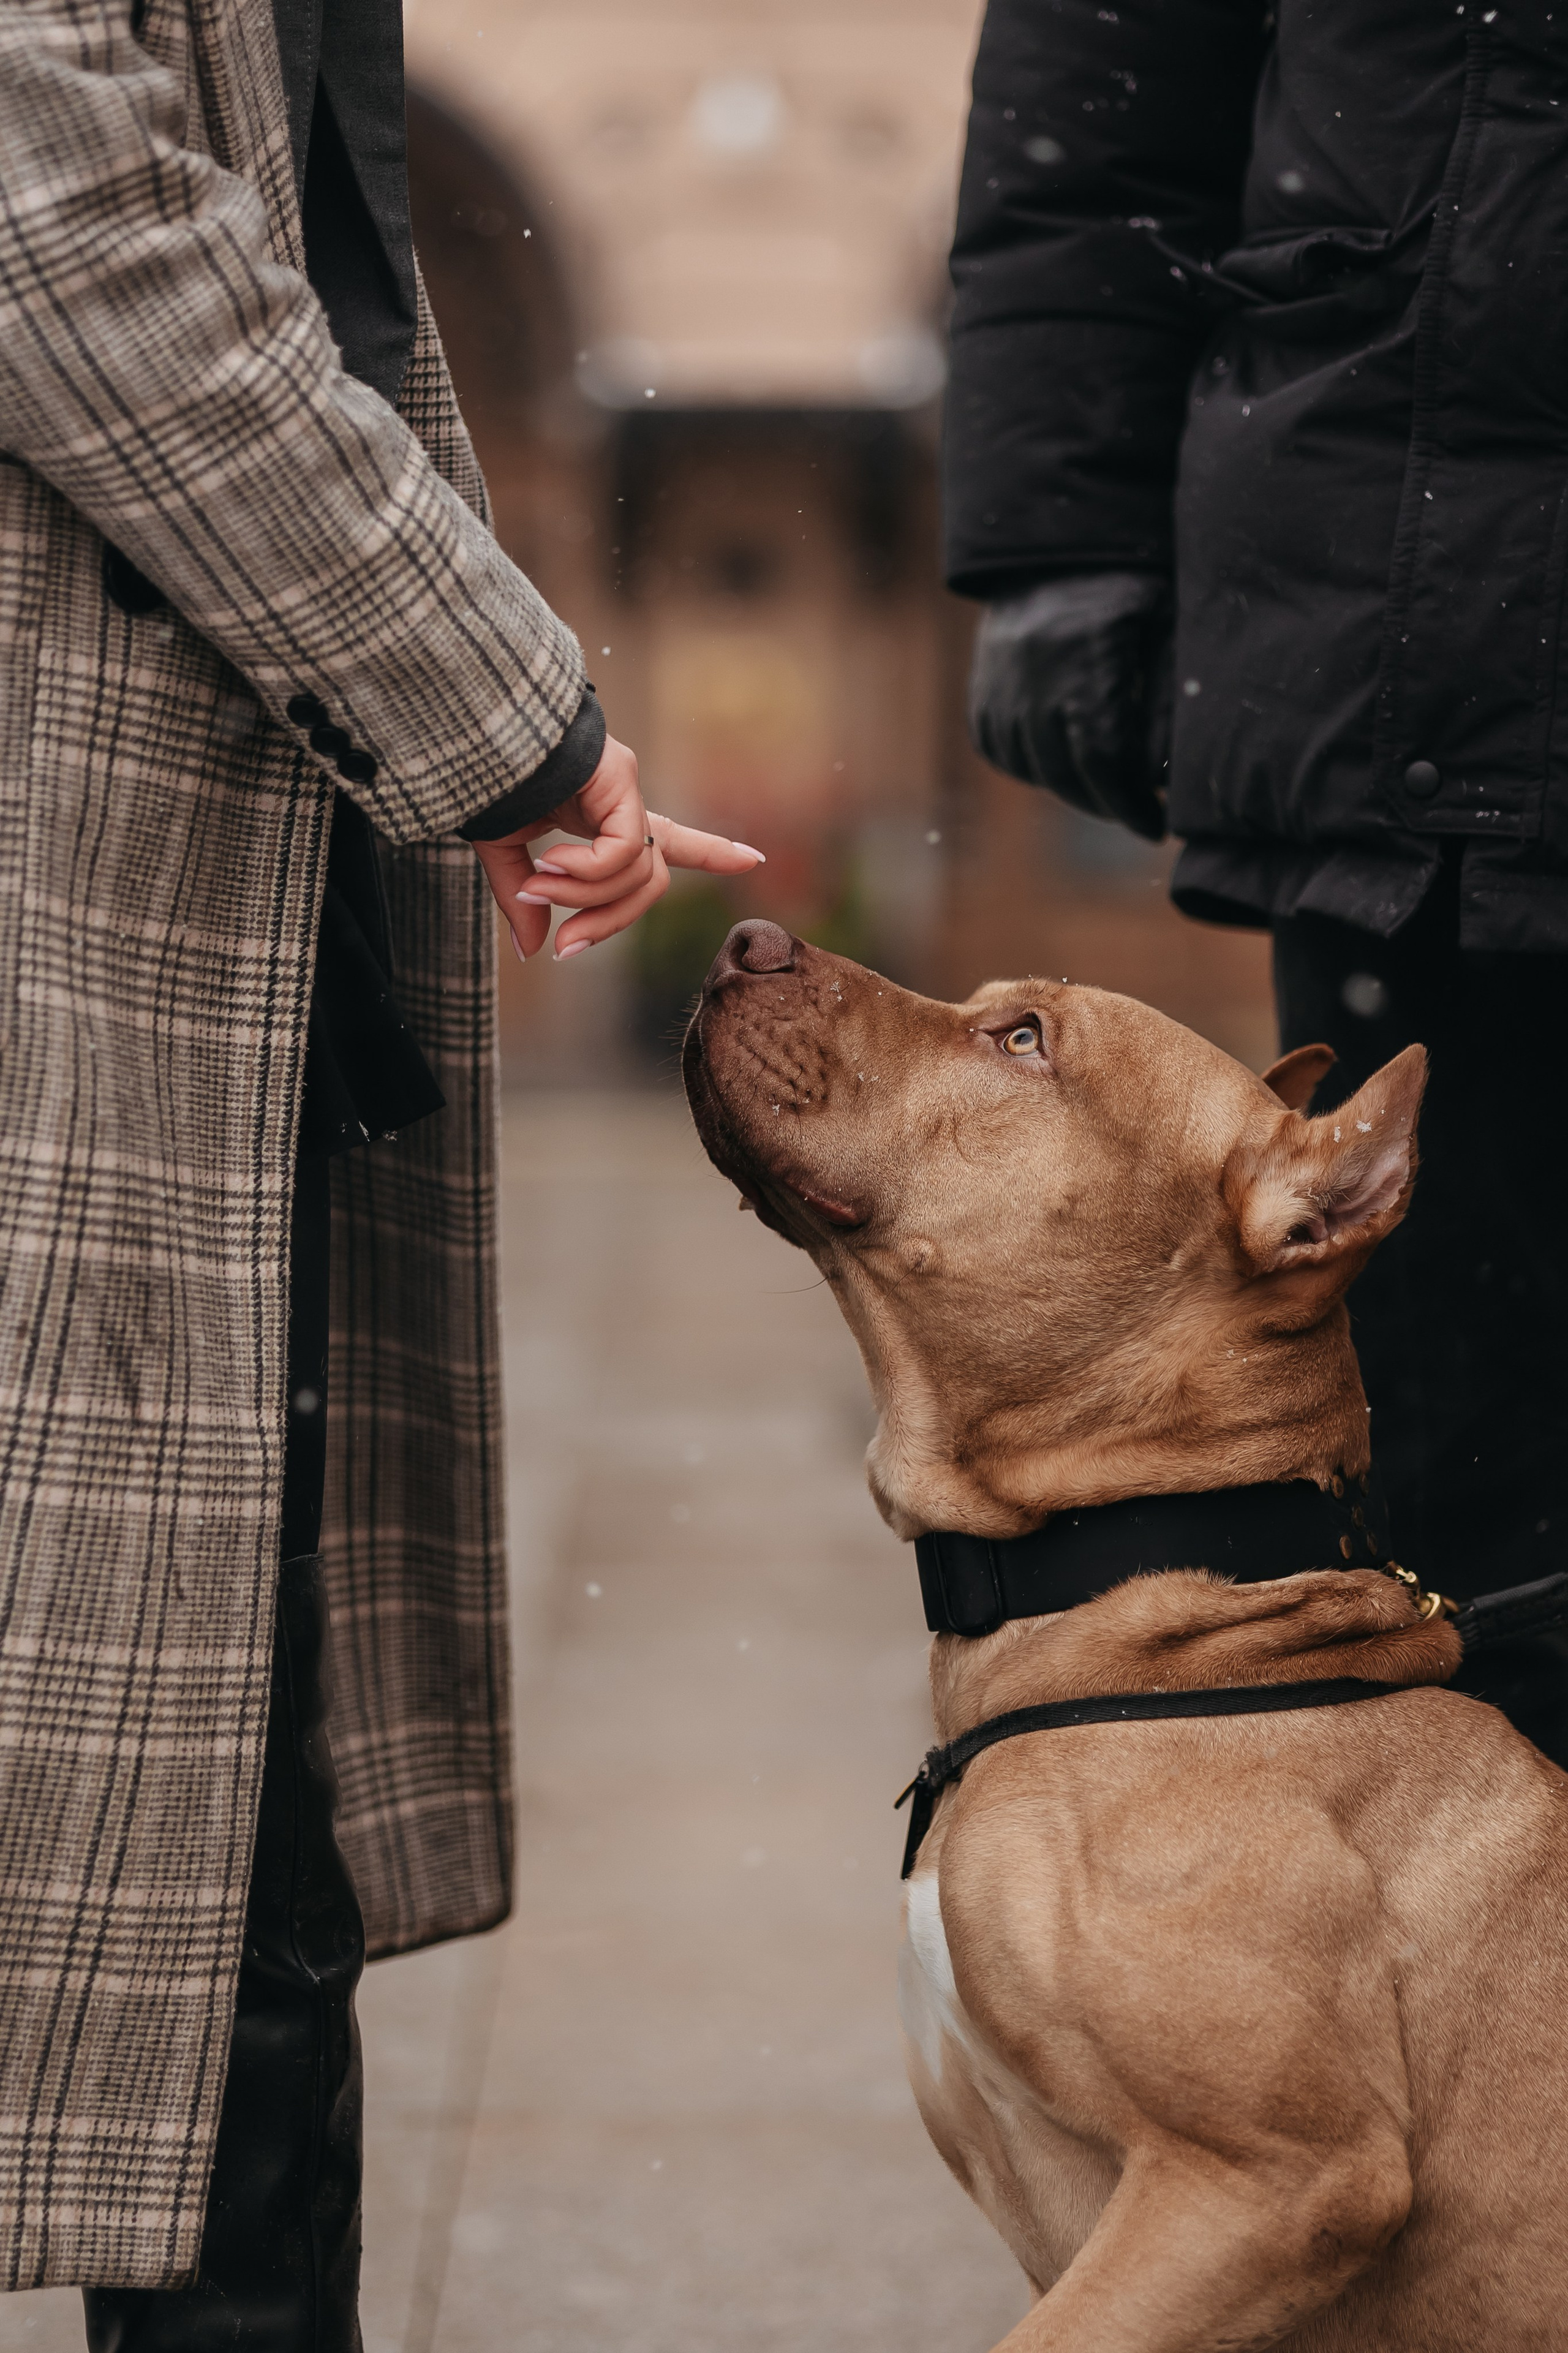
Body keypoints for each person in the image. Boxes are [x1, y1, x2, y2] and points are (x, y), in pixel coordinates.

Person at [0, 0, 760, 2338]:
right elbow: (75, 230)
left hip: (222, 865)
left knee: (233, 1836)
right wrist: (510, 717)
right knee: (179, 1822)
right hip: (89, 873)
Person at [943, 0, 1568, 1760]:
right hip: (1444, 676)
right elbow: (1105, 83)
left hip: (1428, 655)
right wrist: (1059, 533)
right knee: (1483, 1551)